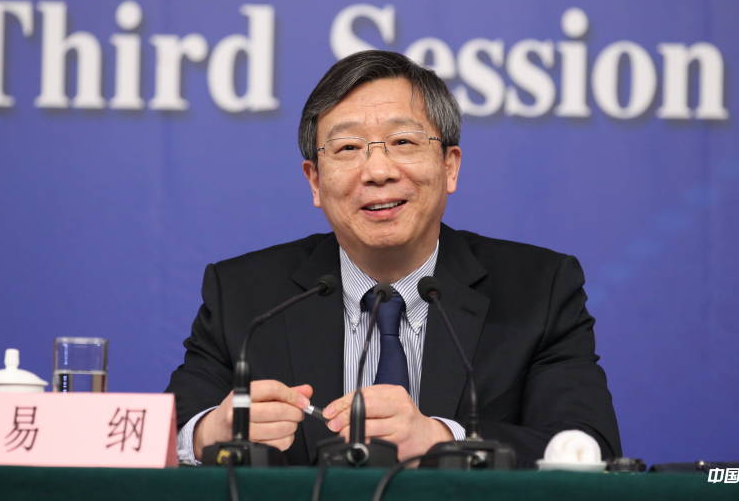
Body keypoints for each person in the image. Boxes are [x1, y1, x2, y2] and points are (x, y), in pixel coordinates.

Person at [166, 50, 621, 467]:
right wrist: (210, 433)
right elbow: (162, 436)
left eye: (403, 141)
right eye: (347, 148)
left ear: (449, 166)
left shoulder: (539, 289)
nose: (378, 171)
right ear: (315, 181)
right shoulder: (245, 295)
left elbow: (589, 447)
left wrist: (442, 439)